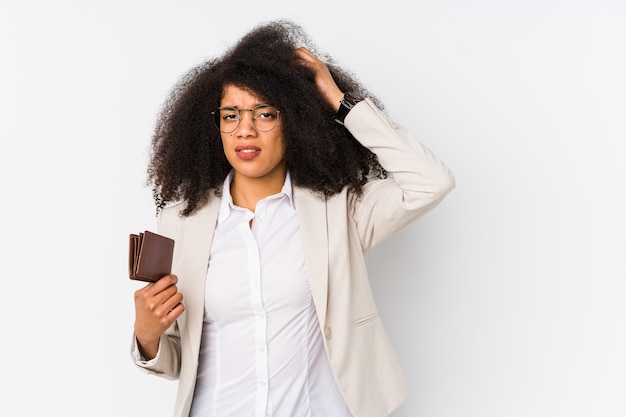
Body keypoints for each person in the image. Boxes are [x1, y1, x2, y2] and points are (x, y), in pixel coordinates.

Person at [131, 19, 455, 417]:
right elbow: (180, 358)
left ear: (296, 122)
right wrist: (147, 337)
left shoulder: (338, 210)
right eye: (230, 115)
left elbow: (431, 182)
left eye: (264, 114)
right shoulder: (182, 222)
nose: (244, 131)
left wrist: (339, 101)